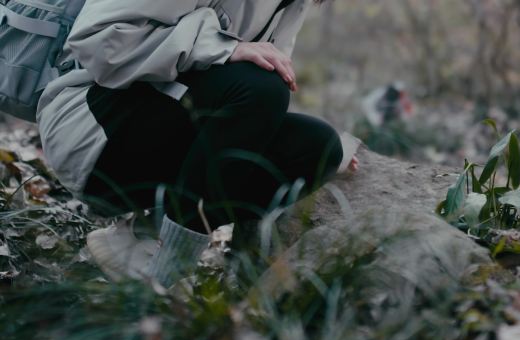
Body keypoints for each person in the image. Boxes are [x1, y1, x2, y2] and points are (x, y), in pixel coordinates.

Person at [36, 0, 359, 285]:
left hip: (153, 135)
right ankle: (163, 278)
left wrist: (333, 151)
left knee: (318, 147)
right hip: (92, 133)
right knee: (262, 86)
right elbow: (98, 38)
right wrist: (223, 47)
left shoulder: (293, 3)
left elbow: (243, 95)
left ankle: (141, 239)